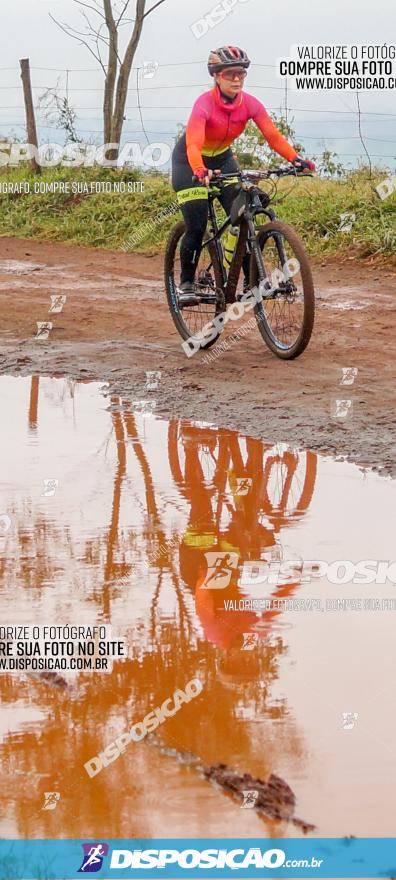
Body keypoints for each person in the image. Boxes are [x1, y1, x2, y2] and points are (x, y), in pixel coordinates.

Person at [171, 46, 315, 306]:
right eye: (230, 74)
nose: (237, 79)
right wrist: (199, 169)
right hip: (189, 162)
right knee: (196, 224)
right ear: (216, 76)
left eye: (241, 73)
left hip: (224, 159)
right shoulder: (204, 103)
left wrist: (295, 159)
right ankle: (186, 284)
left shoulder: (250, 104)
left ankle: (252, 281)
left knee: (242, 214)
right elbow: (193, 143)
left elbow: (272, 136)